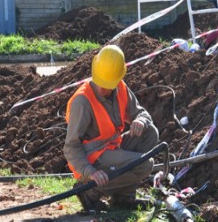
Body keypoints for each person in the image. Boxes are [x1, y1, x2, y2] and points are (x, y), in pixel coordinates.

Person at [64, 44, 158, 212]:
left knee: (150, 133)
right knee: (145, 164)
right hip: (93, 158)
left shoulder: (120, 87)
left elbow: (141, 113)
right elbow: (71, 147)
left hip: (112, 147)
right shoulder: (82, 102)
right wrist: (90, 172)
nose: (102, 88)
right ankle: (90, 192)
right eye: (100, 82)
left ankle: (123, 198)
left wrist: (140, 120)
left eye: (107, 84)